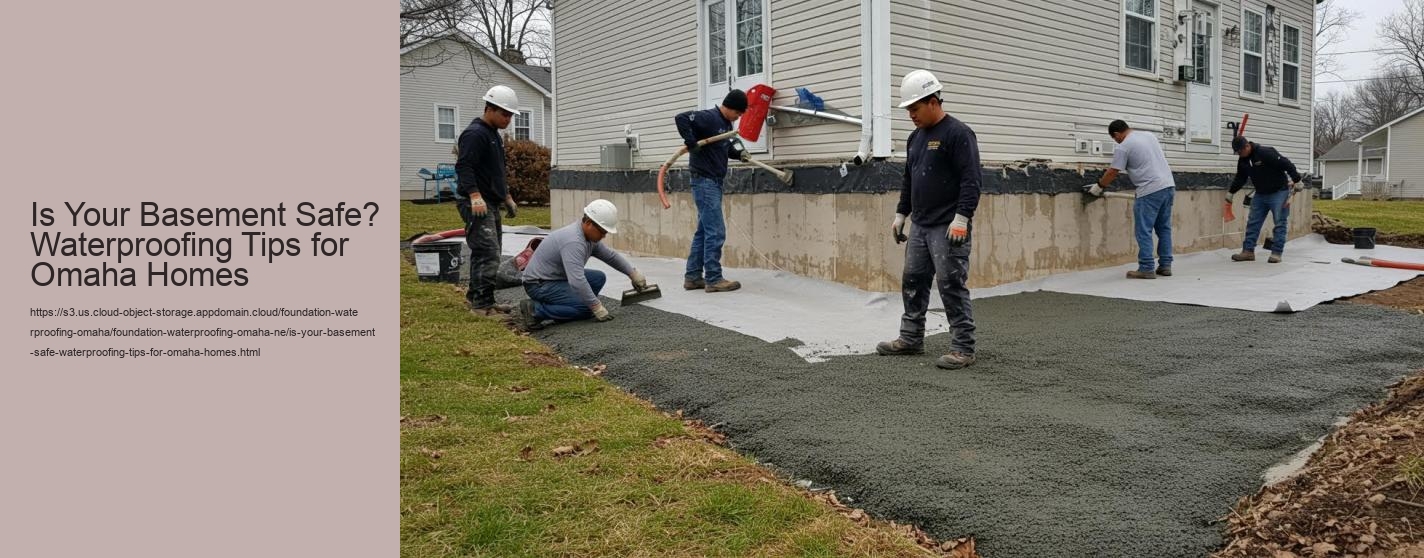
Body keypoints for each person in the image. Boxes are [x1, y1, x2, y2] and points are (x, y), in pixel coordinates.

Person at [875, 70, 982, 370]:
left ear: (933, 101)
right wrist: (901, 214)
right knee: (913, 279)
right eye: (908, 109)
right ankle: (911, 338)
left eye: (915, 108)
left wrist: (962, 217)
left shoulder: (958, 134)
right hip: (921, 225)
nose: (911, 115)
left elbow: (971, 181)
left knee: (950, 282)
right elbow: (909, 179)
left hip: (949, 225)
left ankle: (963, 347)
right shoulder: (915, 138)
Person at [517, 199, 647, 330]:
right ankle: (535, 310)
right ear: (589, 223)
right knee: (585, 308)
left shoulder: (587, 236)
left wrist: (632, 273)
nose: (603, 236)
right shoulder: (574, 241)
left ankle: (567, 306)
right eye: (602, 232)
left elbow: (610, 256)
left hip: (555, 277)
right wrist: (595, 306)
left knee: (598, 277)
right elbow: (577, 280)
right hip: (539, 284)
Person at [673, 90, 750, 293]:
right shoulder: (709, 117)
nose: (739, 117)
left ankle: (693, 277)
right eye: (739, 113)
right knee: (716, 232)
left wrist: (738, 154)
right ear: (731, 107)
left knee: (704, 232)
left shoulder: (726, 125)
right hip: (705, 181)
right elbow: (681, 118)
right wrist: (690, 141)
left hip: (713, 181)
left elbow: (723, 148)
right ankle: (714, 278)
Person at [456, 85, 522, 315]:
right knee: (488, 251)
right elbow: (464, 166)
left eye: (511, 115)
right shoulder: (475, 134)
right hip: (475, 203)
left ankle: (481, 299)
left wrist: (507, 196)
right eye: (505, 114)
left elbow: (497, 170)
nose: (508, 119)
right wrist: (474, 195)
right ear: (489, 109)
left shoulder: (493, 135)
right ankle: (482, 306)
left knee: (490, 251)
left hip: (490, 202)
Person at [1084, 120, 1177, 279]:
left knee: (1144, 230)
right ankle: (1165, 265)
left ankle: (1147, 267)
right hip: (1168, 186)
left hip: (1149, 190)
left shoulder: (1124, 146)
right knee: (1164, 229)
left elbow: (1113, 171)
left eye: (1115, 139)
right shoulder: (1149, 136)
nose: (1116, 141)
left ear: (1116, 134)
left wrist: (1099, 186)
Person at [1228, 135, 1302, 263]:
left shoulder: (1265, 153)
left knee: (1279, 223)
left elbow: (1286, 163)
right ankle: (1248, 252)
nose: (1239, 154)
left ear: (1247, 146)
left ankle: (1276, 253)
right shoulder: (1243, 159)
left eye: (1240, 151)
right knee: (1253, 222)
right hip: (1260, 194)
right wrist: (1231, 192)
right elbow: (1241, 177)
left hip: (1279, 192)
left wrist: (1297, 180)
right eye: (1237, 153)